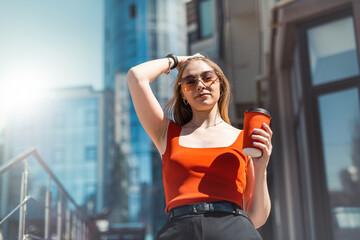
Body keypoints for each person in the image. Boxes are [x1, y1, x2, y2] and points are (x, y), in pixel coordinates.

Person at [127, 53, 273, 240]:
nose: (200, 85)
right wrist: (179, 61)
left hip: (234, 228)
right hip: (180, 230)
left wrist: (261, 168)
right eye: (190, 81)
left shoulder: (243, 139)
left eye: (208, 77)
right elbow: (136, 76)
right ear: (183, 94)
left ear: (221, 85)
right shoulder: (166, 133)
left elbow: (256, 218)